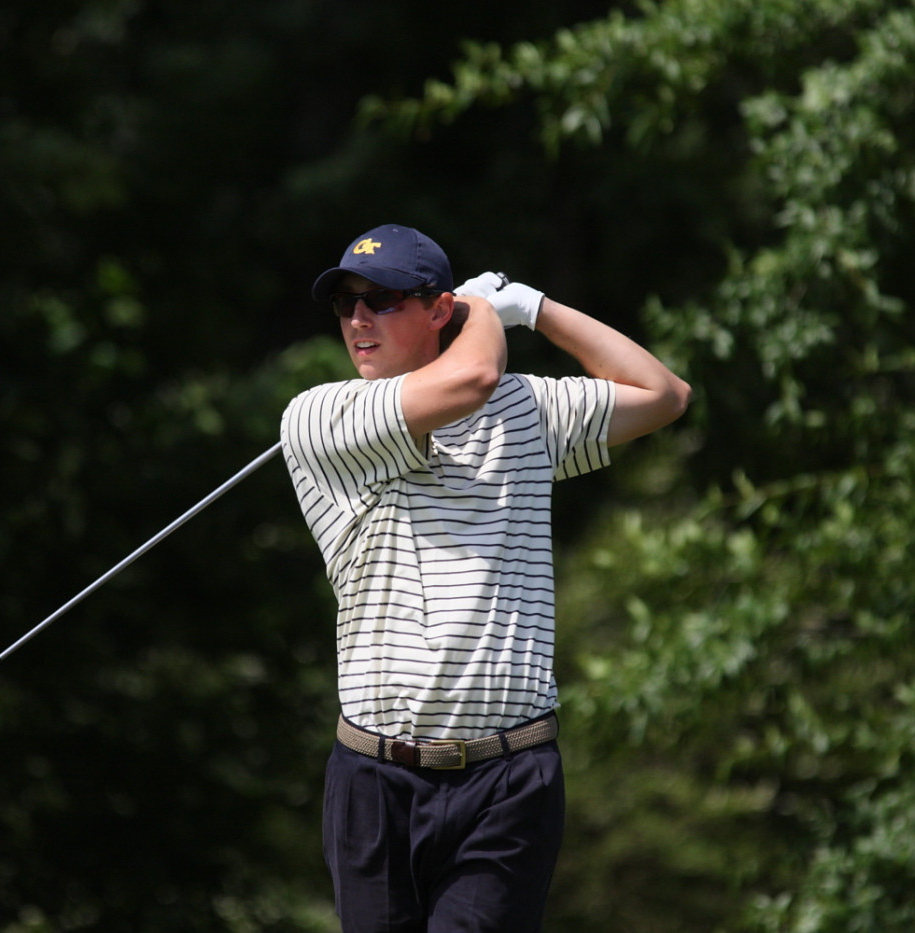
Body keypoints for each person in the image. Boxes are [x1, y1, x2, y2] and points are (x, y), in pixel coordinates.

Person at [280, 223, 691, 932]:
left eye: (381, 300)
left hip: (508, 780)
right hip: (375, 778)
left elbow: (662, 394)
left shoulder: (525, 412)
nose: (357, 321)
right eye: (345, 303)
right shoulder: (321, 416)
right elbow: (470, 377)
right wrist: (482, 315)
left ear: (436, 310)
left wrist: (534, 308)